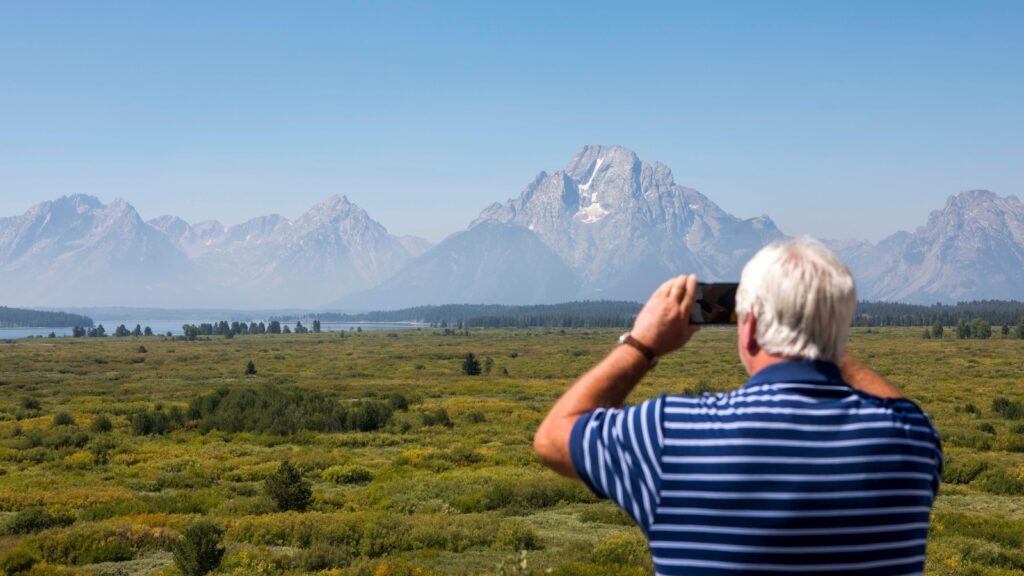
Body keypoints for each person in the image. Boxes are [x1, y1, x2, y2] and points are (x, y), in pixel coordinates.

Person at [534, 238, 942, 576]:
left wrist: (644, 343)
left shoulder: (668, 434)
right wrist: (818, 338)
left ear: (747, 329)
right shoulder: (912, 442)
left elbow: (553, 437)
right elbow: (901, 407)